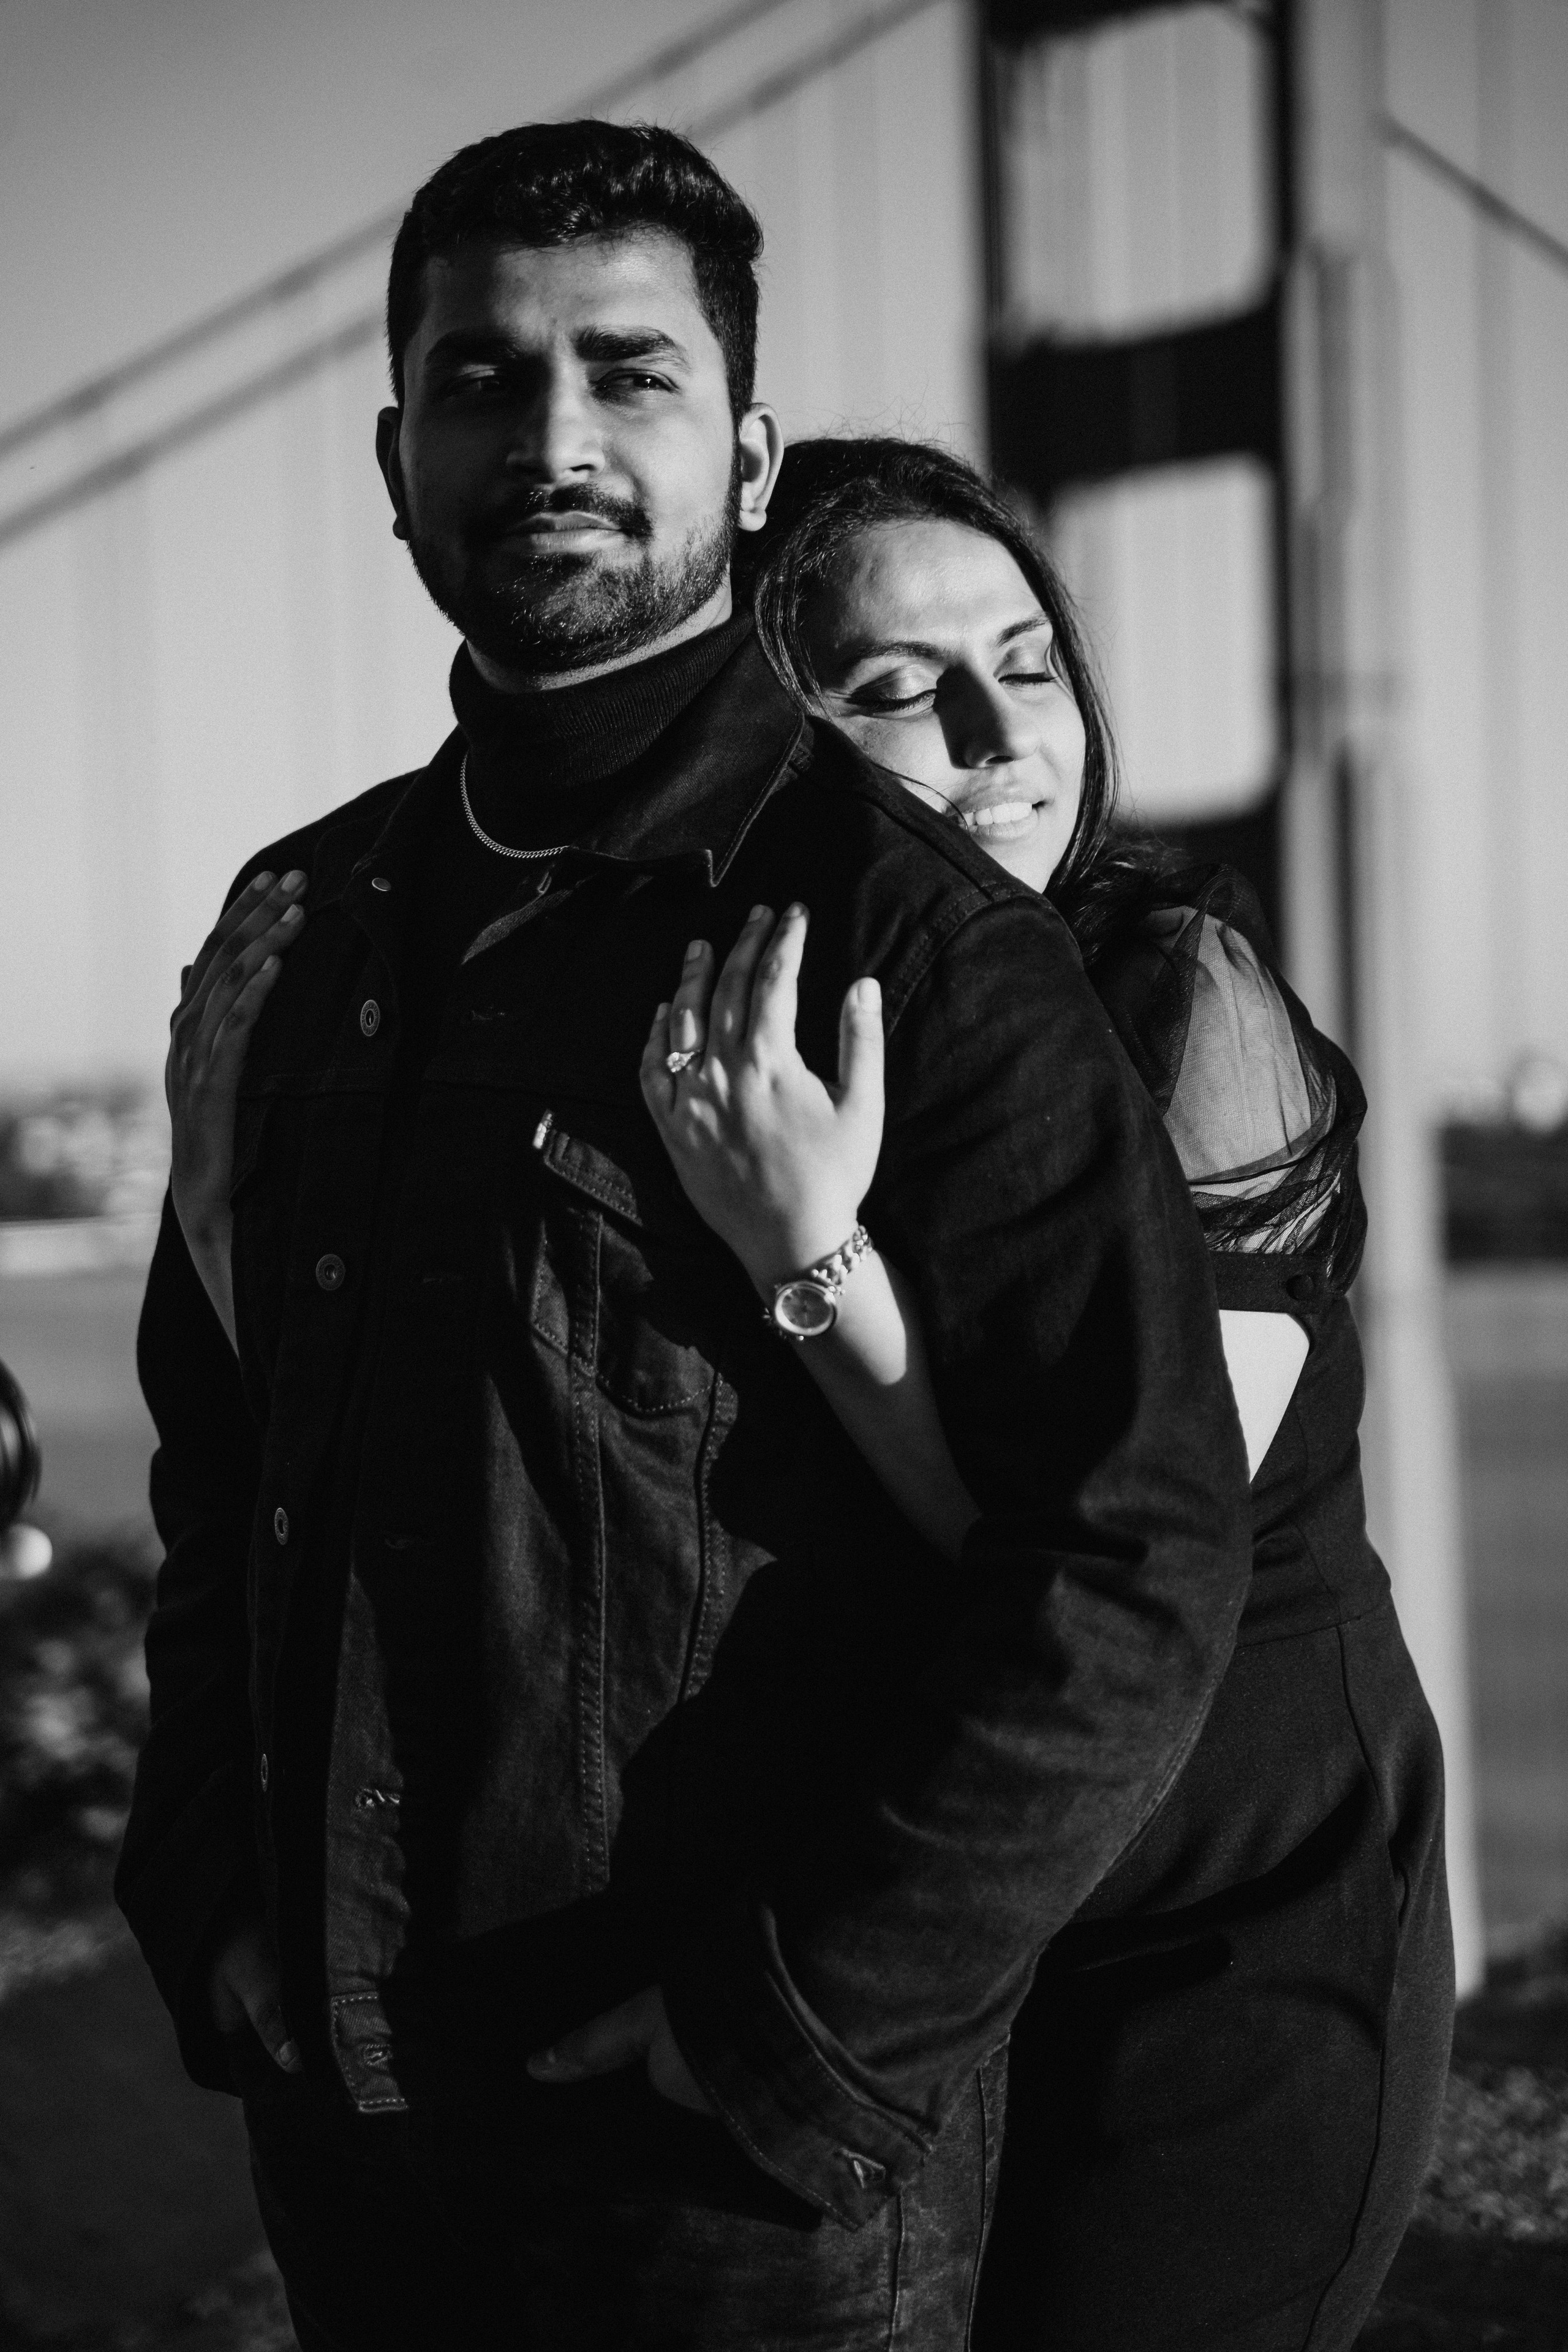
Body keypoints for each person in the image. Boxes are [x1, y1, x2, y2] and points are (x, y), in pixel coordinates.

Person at [118, 127, 1253, 2348]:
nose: (549, 439)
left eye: (628, 375)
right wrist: (206, 1891)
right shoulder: (309, 923)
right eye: (481, 379)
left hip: (737, 2200)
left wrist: (797, 2032)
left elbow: (1135, 1554)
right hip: (356, 2126)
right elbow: (215, 1459)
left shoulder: (912, 946)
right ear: (392, 451)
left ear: (743, 452)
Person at [640, 436, 1455, 2351]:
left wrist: (807, 1261)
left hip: (1230, 1924)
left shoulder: (1186, 1004)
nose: (1006, 723)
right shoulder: (761, 1031)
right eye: (893, 687)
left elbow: (1109, 1546)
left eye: (1029, 651)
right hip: (952, 1917)